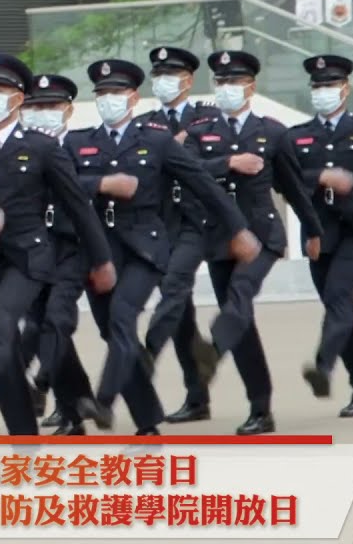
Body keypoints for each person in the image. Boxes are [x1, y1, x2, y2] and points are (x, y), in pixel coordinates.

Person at [67, 59, 257, 436]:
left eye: (116, 93)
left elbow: (202, 182)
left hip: (146, 248)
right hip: (101, 249)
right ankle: (148, 421)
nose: (109, 99)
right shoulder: (79, 141)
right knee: (114, 333)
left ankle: (102, 400)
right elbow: (64, 183)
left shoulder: (155, 140)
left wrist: (238, 228)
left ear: (133, 97)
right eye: (102, 93)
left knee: (122, 319)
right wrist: (102, 184)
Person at [0, 54, 115, 436]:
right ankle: (24, 440)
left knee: (2, 321)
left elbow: (77, 207)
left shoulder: (43, 147)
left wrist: (101, 259)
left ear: (17, 99)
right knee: (5, 354)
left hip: (29, 257)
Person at [183, 50, 324, 435]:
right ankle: (260, 408)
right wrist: (228, 163)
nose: (228, 88)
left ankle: (213, 348)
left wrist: (313, 232)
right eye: (221, 82)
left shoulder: (273, 131)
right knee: (242, 322)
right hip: (219, 238)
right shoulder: (200, 130)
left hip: (262, 234)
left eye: (235, 81)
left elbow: (294, 189)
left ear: (251, 86)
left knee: (240, 295)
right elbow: (188, 172)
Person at [291, 55, 353, 418]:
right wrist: (321, 177)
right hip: (318, 234)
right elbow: (287, 181)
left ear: (345, 89)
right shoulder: (297, 136)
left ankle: (324, 366)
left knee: (338, 296)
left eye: (329, 85)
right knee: (341, 308)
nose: (323, 92)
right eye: (317, 86)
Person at [137, 46, 223, 425]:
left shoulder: (210, 117)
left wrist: (179, 149)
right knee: (182, 315)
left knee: (174, 286)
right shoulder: (148, 122)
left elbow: (210, 163)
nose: (163, 81)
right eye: (158, 74)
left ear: (188, 79)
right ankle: (197, 397)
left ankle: (147, 352)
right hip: (163, 222)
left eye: (170, 74)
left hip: (200, 221)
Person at [15, 73, 101, 435]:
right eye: (34, 106)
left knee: (55, 321)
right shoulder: (20, 148)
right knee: (40, 325)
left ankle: (46, 384)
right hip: (34, 249)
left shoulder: (84, 144)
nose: (41, 113)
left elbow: (95, 183)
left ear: (67, 109)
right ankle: (77, 405)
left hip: (73, 247)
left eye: (49, 106)